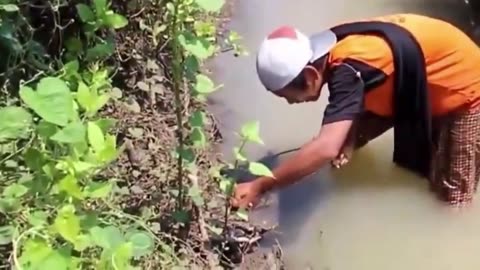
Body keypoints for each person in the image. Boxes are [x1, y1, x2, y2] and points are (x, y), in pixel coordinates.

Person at [230, 13, 480, 209]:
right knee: (341, 142)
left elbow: (325, 148)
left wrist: (261, 185)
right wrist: (347, 138)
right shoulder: (333, 46)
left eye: (288, 96)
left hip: (469, 89)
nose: (290, 103)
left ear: (309, 75)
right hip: (418, 77)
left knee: (452, 195)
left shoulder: (350, 71)